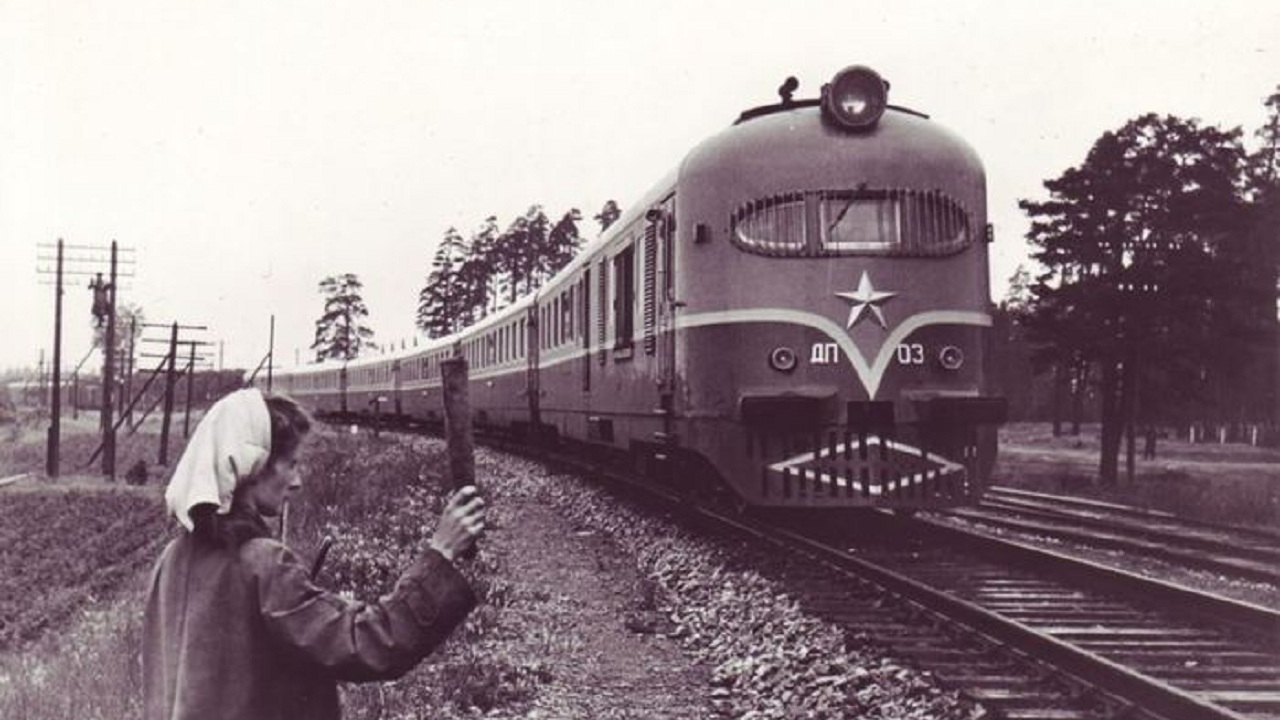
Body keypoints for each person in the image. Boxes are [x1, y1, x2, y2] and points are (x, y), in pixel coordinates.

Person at [143, 387, 486, 720]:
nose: (297, 481)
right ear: (253, 466)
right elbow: (369, 644)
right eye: (290, 464)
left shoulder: (170, 561)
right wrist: (439, 554)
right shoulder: (263, 566)